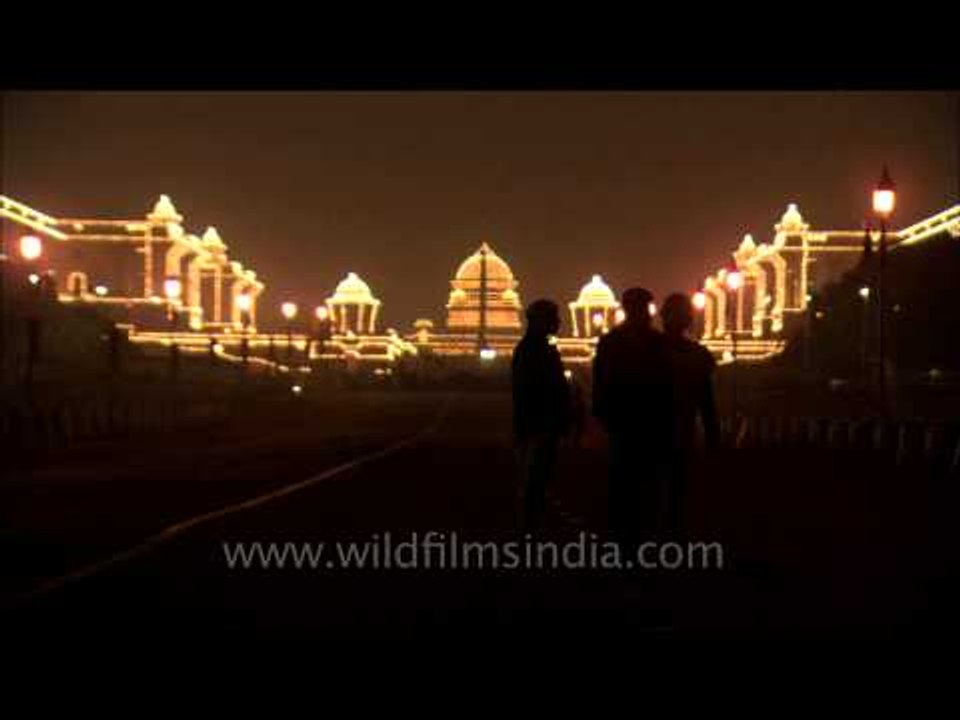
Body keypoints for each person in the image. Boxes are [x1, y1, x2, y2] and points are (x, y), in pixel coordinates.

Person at [592, 287, 672, 546]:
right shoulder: (652, 343)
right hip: (637, 424)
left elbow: (600, 388)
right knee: (638, 486)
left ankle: (629, 540)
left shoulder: (614, 342)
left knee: (631, 486)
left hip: (636, 425)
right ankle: (634, 541)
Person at [660, 293, 720, 538]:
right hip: (677, 426)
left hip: (655, 427)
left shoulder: (648, 349)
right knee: (675, 484)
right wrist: (712, 434)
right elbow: (705, 400)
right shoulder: (697, 355)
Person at [512, 299, 573, 531]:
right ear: (539, 321)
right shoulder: (532, 350)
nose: (558, 321)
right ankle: (529, 526)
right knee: (533, 478)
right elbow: (531, 392)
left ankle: (535, 521)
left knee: (541, 477)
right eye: (552, 317)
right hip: (537, 427)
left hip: (543, 425)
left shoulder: (541, 347)